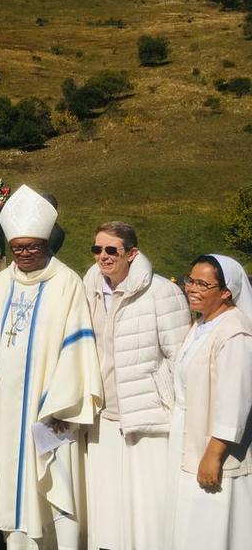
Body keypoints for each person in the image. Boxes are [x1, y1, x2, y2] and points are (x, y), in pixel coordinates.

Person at [0, 185, 102, 550]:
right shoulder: (1, 283)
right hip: (6, 405)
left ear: (47, 243)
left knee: (56, 478)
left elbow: (77, 347)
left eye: (32, 247)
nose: (24, 254)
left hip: (50, 407)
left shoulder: (67, 282)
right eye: (17, 248)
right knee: (10, 476)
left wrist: (59, 405)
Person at [82, 222, 190, 550]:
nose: (103, 256)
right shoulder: (89, 288)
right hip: (103, 413)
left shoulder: (161, 292)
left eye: (111, 250)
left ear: (132, 253)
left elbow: (179, 359)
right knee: (107, 505)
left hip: (146, 414)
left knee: (146, 508)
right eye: (97, 249)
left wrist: (178, 413)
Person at [165, 254, 252, 550]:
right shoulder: (203, 324)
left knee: (212, 524)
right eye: (190, 280)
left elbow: (235, 400)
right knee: (189, 521)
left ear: (226, 292)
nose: (191, 288)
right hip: (189, 435)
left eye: (202, 284)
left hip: (214, 445)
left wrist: (214, 455)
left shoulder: (235, 332)